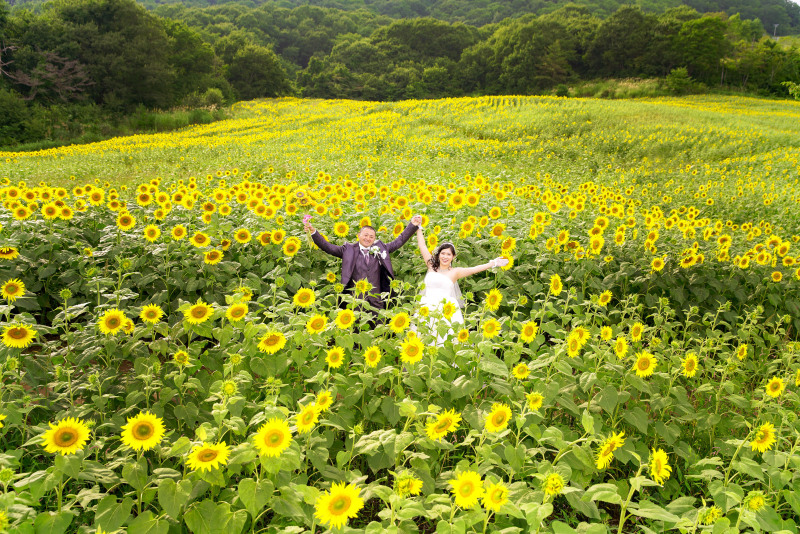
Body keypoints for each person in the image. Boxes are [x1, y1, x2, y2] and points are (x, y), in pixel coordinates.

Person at [304, 215, 423, 317]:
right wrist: (314, 233)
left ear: (374, 239)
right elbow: (328, 247)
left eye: (371, 237)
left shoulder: (381, 248)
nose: (368, 238)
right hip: (354, 300)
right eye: (365, 235)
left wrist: (412, 225)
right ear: (359, 235)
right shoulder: (348, 249)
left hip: (377, 300)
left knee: (378, 329)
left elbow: (399, 241)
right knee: (356, 330)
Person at [414, 225, 508, 343]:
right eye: (443, 253)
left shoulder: (455, 272)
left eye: (449, 254)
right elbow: (422, 246)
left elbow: (474, 269)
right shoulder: (431, 265)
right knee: (422, 336)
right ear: (438, 254)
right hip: (426, 306)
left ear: (453, 257)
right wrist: (418, 227)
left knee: (443, 339)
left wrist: (494, 263)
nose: (445, 257)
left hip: (445, 310)